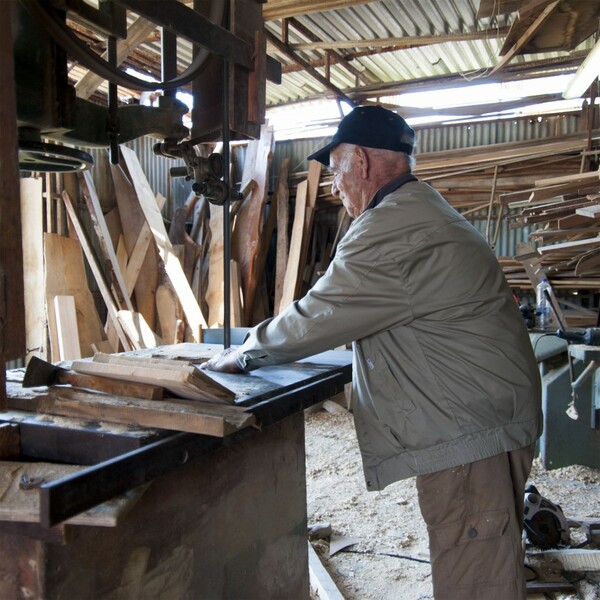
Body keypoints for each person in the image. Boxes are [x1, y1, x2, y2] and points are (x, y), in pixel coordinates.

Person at [201, 105, 542, 600]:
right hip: (483, 419)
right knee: (479, 560)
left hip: (473, 432)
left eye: (336, 168)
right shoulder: (417, 209)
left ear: (360, 160)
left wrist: (248, 352)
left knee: (477, 581)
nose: (334, 185)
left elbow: (322, 312)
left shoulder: (392, 228)